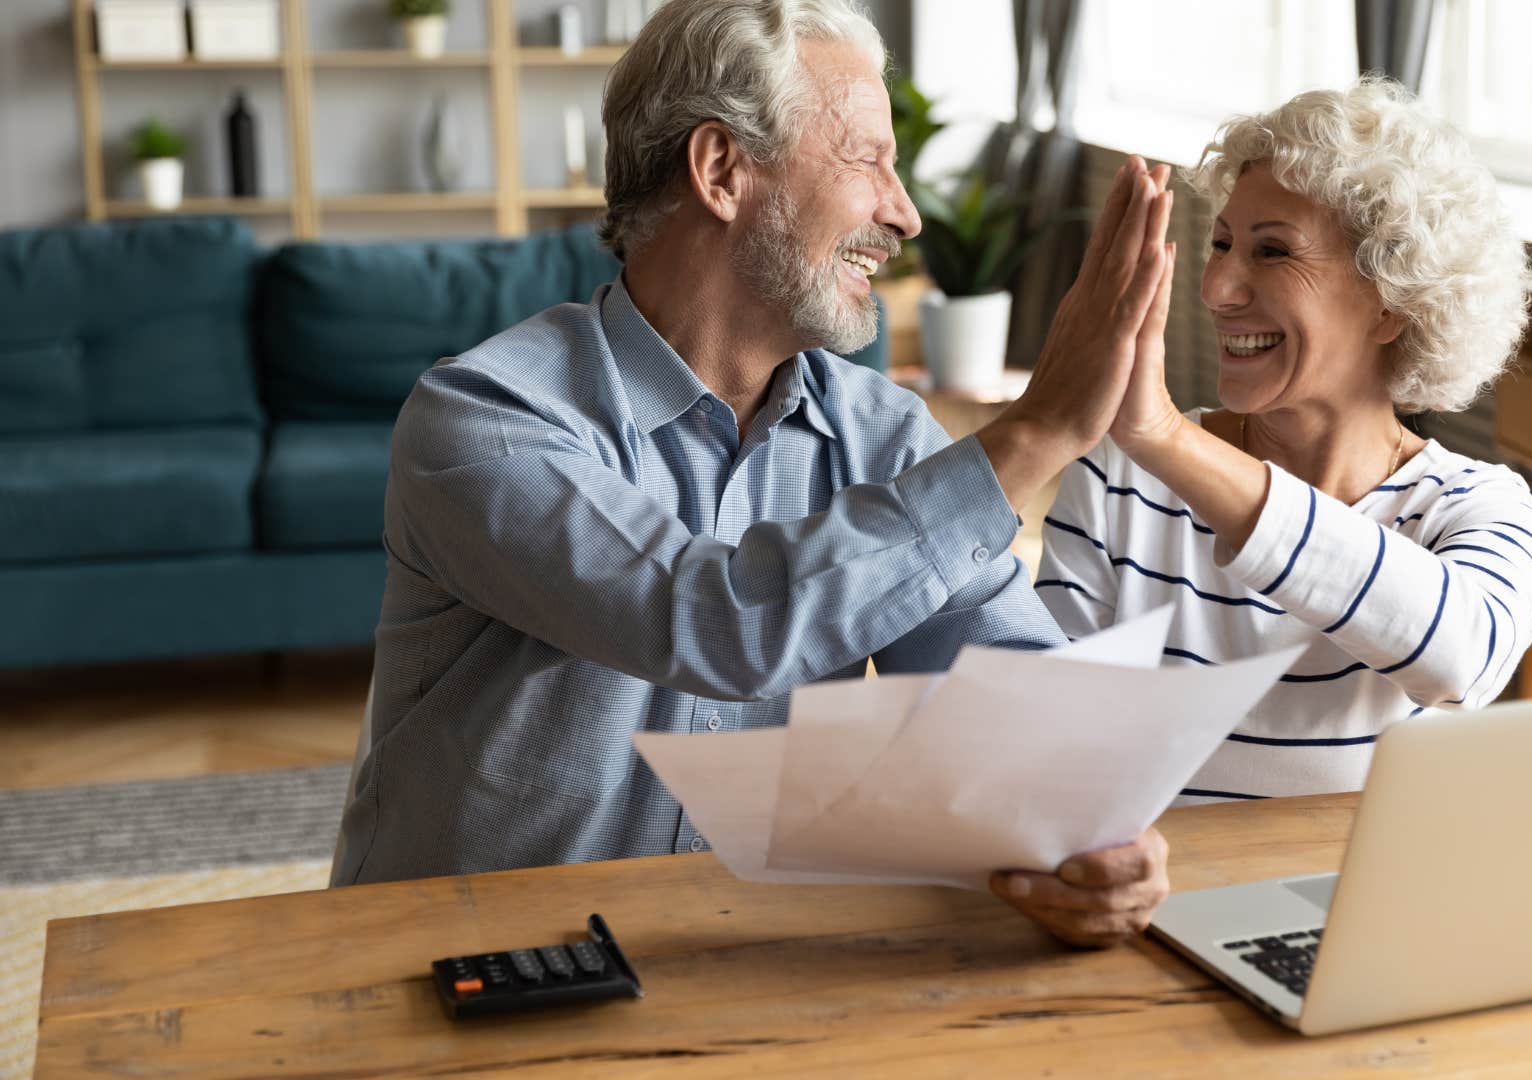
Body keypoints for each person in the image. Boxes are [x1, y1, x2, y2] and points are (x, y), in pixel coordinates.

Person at [333, 0, 1178, 948]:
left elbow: (1001, 690)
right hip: (459, 963)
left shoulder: (883, 436)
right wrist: (1038, 431)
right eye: (867, 160)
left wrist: (1090, 825)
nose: (903, 213)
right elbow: (713, 622)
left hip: (731, 958)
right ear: (722, 172)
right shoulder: (485, 418)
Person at [1037, 78, 1532, 802]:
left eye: (1273, 251)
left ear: (1392, 303)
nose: (1217, 288)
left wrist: (1166, 439)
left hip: (1368, 878)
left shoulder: (1479, 509)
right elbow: (1049, 741)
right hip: (1157, 872)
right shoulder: (1121, 476)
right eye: (1221, 244)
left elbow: (1462, 659)